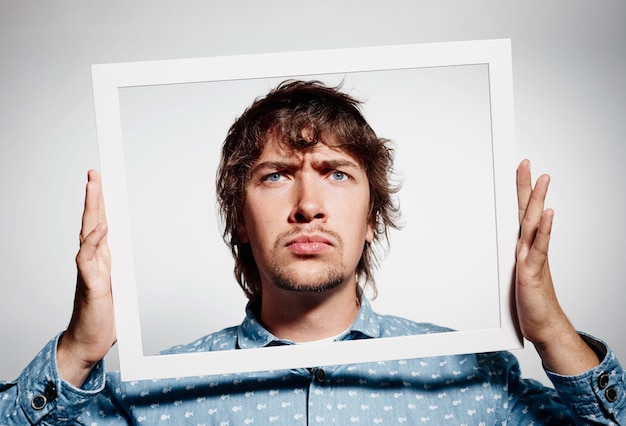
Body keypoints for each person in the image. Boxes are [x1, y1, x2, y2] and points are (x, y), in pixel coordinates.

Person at [1, 80, 623, 425]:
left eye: (336, 173)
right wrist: (80, 350)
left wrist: (551, 333)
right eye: (274, 175)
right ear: (239, 220)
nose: (308, 205)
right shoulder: (148, 394)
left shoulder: (474, 380)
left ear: (373, 218)